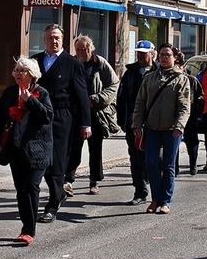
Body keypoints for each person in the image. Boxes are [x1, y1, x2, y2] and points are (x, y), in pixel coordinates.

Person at [0, 57, 54, 244]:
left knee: (31, 187)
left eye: (22, 71)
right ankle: (26, 226)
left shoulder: (41, 93)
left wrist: (30, 101)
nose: (18, 74)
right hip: (15, 149)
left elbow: (47, 116)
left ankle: (29, 230)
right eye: (16, 70)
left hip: (38, 150)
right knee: (21, 190)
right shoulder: (10, 92)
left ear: (31, 74)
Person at [32, 24, 91, 223]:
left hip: (62, 117)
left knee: (57, 161)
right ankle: (58, 194)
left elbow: (82, 95)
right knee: (42, 160)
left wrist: (85, 123)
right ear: (44, 40)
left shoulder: (72, 63)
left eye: (57, 37)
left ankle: (52, 205)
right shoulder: (36, 60)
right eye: (50, 37)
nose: (54, 41)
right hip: (39, 116)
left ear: (62, 39)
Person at [132, 44, 191, 213]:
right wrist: (136, 124)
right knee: (151, 163)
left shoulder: (181, 79)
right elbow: (140, 102)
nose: (164, 58)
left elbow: (184, 107)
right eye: (162, 55)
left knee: (168, 165)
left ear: (175, 58)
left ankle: (165, 201)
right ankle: (155, 199)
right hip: (151, 128)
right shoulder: (149, 78)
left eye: (168, 55)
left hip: (172, 129)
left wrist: (180, 125)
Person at [65, 35, 118, 196]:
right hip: (76, 113)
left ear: (91, 48)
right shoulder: (71, 63)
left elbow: (114, 84)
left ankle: (94, 181)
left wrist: (96, 99)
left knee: (95, 149)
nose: (82, 51)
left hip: (95, 113)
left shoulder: (100, 63)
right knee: (73, 148)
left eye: (85, 48)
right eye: (78, 49)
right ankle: (68, 180)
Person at [116, 40, 156, 205]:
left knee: (154, 158)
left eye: (143, 53)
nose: (140, 56)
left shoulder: (159, 71)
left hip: (155, 122)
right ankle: (140, 191)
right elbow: (121, 97)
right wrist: (122, 120)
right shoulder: (130, 73)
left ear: (151, 54)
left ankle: (157, 189)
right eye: (138, 53)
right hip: (134, 122)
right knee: (135, 157)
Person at [172, 51, 203, 177]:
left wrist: (197, 114)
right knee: (174, 143)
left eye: (179, 65)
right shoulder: (170, 80)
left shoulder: (192, 80)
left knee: (192, 143)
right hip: (173, 117)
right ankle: (174, 168)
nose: (177, 68)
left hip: (190, 117)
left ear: (183, 66)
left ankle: (193, 165)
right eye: (175, 65)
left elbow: (200, 97)